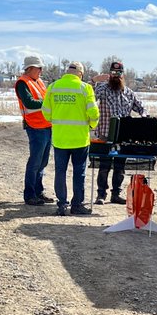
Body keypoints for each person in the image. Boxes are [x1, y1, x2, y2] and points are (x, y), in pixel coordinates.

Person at [41, 61, 99, 217]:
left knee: (60, 171)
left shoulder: (53, 87)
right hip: (80, 138)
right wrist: (91, 126)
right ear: (80, 74)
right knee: (79, 172)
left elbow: (45, 112)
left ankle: (61, 204)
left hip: (60, 138)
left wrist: (56, 121)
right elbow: (93, 113)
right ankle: (77, 205)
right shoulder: (85, 88)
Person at [92, 61, 147, 204]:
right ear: (109, 74)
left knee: (120, 167)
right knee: (104, 166)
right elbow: (90, 98)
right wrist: (94, 82)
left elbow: (141, 107)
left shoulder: (129, 92)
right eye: (113, 73)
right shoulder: (102, 89)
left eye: (119, 73)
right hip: (105, 134)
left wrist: (145, 117)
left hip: (123, 136)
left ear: (123, 75)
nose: (116, 76)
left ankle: (116, 194)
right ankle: (101, 195)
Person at [15, 55, 53, 206]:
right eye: (39, 68)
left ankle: (38, 191)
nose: (41, 71)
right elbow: (29, 103)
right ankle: (30, 194)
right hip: (35, 127)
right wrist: (48, 103)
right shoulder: (22, 83)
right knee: (35, 162)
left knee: (43, 161)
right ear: (29, 68)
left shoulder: (39, 82)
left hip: (46, 125)